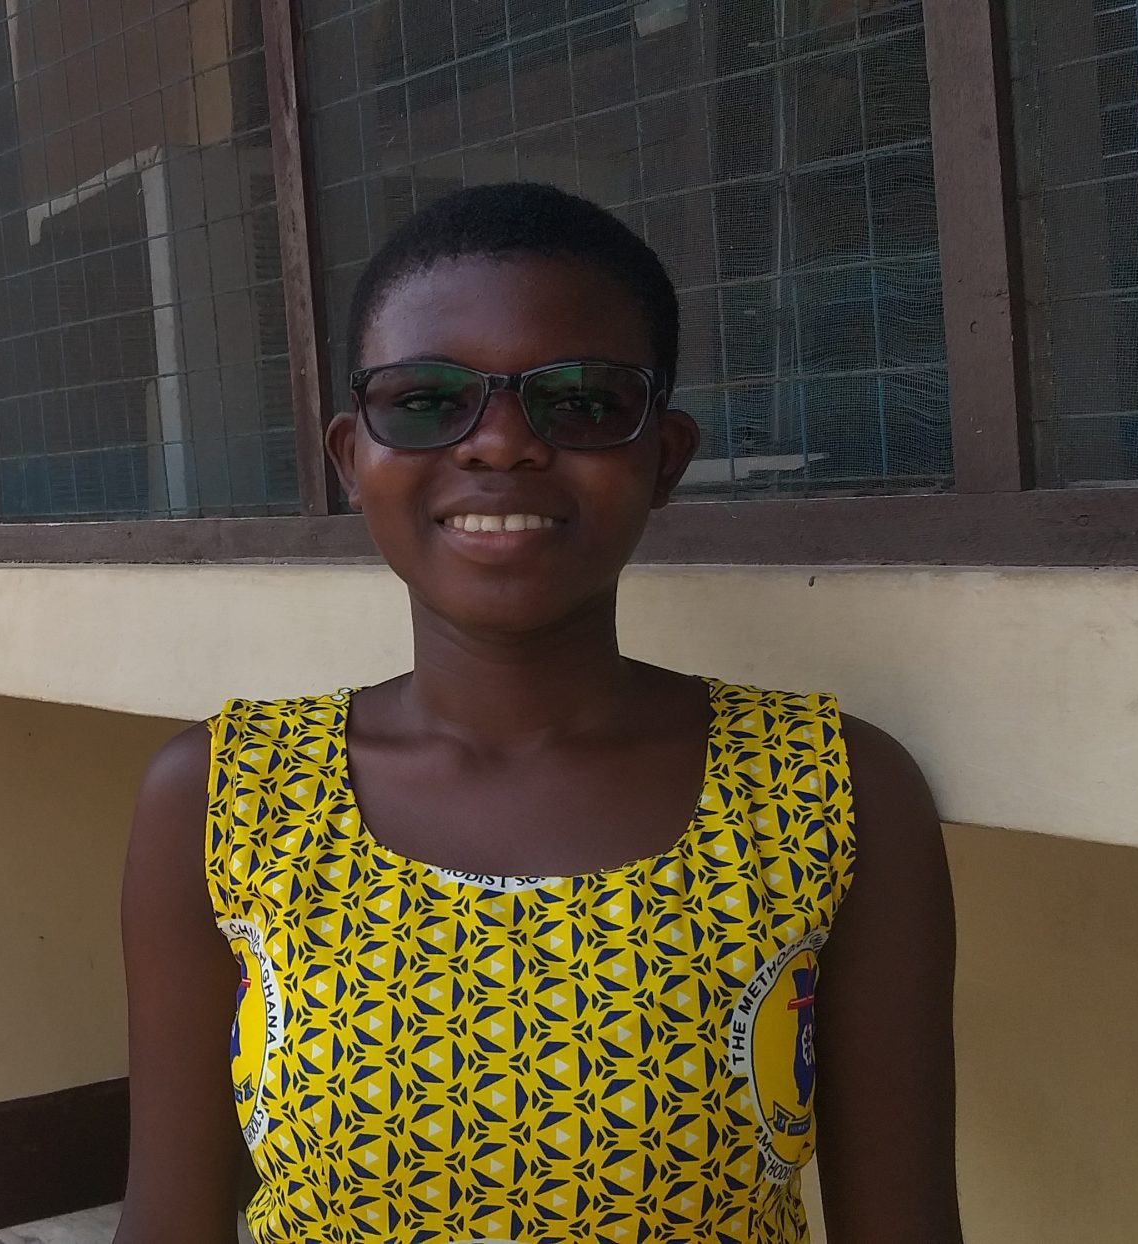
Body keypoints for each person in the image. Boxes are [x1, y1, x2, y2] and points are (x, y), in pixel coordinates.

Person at [116, 183, 961, 1243]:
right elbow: (168, 1222)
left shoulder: (832, 789)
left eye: (582, 399)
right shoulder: (220, 796)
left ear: (663, 456)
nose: (502, 443)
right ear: (352, 457)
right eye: (427, 400)